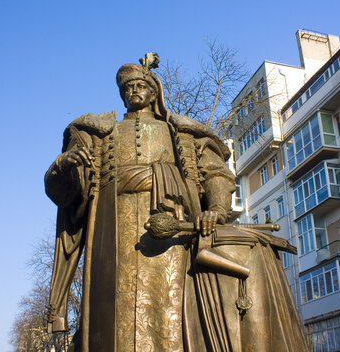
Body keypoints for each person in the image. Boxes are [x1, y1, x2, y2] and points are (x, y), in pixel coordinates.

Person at [44, 54, 310, 351]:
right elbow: (64, 195)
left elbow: (215, 173)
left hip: (172, 229)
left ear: (153, 92)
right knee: (112, 316)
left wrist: (217, 209)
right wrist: (63, 165)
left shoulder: (180, 131)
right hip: (111, 229)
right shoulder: (98, 133)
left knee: (170, 311)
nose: (132, 92)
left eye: (139, 86)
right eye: (126, 88)